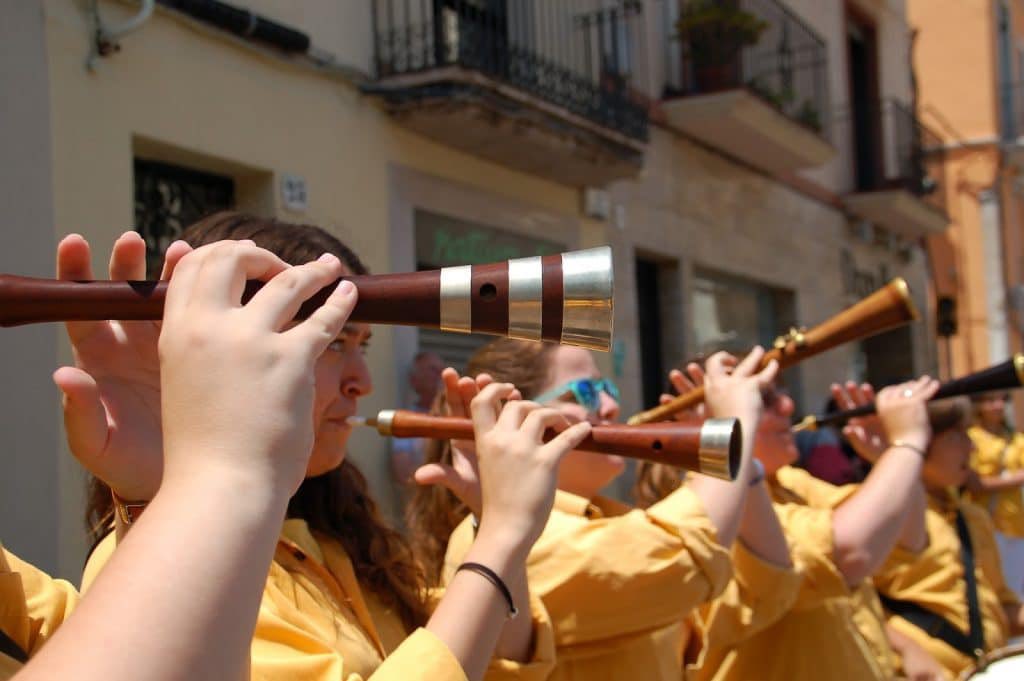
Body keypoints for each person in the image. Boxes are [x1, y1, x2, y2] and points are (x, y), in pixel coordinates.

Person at [71, 215, 572, 680]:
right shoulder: (160, 557)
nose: (363, 382)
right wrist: (503, 533)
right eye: (333, 342)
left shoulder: (332, 538)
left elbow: (490, 664)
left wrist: (491, 517)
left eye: (362, 344)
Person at [408, 339, 799, 681]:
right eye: (584, 394)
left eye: (606, 389)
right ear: (512, 420)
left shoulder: (611, 519)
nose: (612, 407)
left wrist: (741, 462)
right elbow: (687, 558)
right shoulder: (510, 541)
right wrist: (732, 427)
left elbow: (764, 595)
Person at [635, 372, 944, 680]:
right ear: (714, 416)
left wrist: (888, 454)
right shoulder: (712, 511)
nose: (788, 405)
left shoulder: (792, 483)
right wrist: (907, 444)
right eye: (763, 399)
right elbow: (851, 552)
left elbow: (904, 537)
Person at [837, 389, 1024, 678]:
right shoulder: (875, 518)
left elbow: (1002, 608)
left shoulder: (973, 517)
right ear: (920, 443)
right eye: (956, 436)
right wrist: (906, 647)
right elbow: (845, 605)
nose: (971, 447)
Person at [963, 392, 1024, 599]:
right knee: (989, 590)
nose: (998, 405)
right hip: (984, 522)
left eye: (1002, 400)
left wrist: (996, 482)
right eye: (991, 401)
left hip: (1015, 523)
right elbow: (974, 485)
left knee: (1014, 590)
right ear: (979, 406)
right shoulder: (971, 438)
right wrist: (1013, 480)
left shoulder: (1015, 439)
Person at [391, 351, 444, 486]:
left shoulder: (457, 415)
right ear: (414, 380)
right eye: (433, 370)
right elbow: (403, 473)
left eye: (441, 370)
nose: (441, 375)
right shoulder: (405, 420)